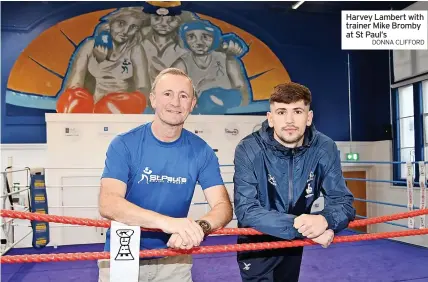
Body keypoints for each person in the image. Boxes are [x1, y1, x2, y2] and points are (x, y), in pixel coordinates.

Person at [98, 67, 233, 282]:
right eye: (167, 94)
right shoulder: (124, 144)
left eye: (183, 96)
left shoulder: (202, 151)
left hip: (175, 257)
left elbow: (223, 207)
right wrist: (168, 223)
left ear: (192, 103)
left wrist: (200, 227)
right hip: (124, 253)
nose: (175, 102)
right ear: (153, 99)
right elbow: (108, 203)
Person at [233, 82, 356, 282]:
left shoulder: (324, 147)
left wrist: (325, 220)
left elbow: (343, 201)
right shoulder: (249, 148)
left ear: (309, 117)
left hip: (293, 244)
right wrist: (304, 229)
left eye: (297, 111)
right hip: (257, 241)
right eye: (281, 112)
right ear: (270, 119)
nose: (289, 120)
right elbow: (246, 209)